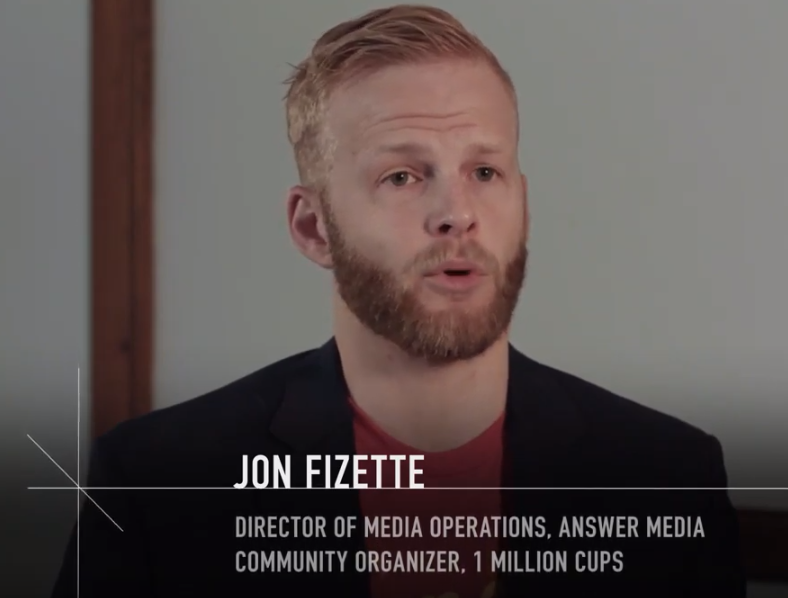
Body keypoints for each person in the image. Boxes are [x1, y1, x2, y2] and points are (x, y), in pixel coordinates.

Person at [52, 5, 744, 598]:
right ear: (313, 228)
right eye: (403, 176)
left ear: (524, 204)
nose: (457, 214)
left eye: (485, 171)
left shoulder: (667, 477)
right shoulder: (155, 487)